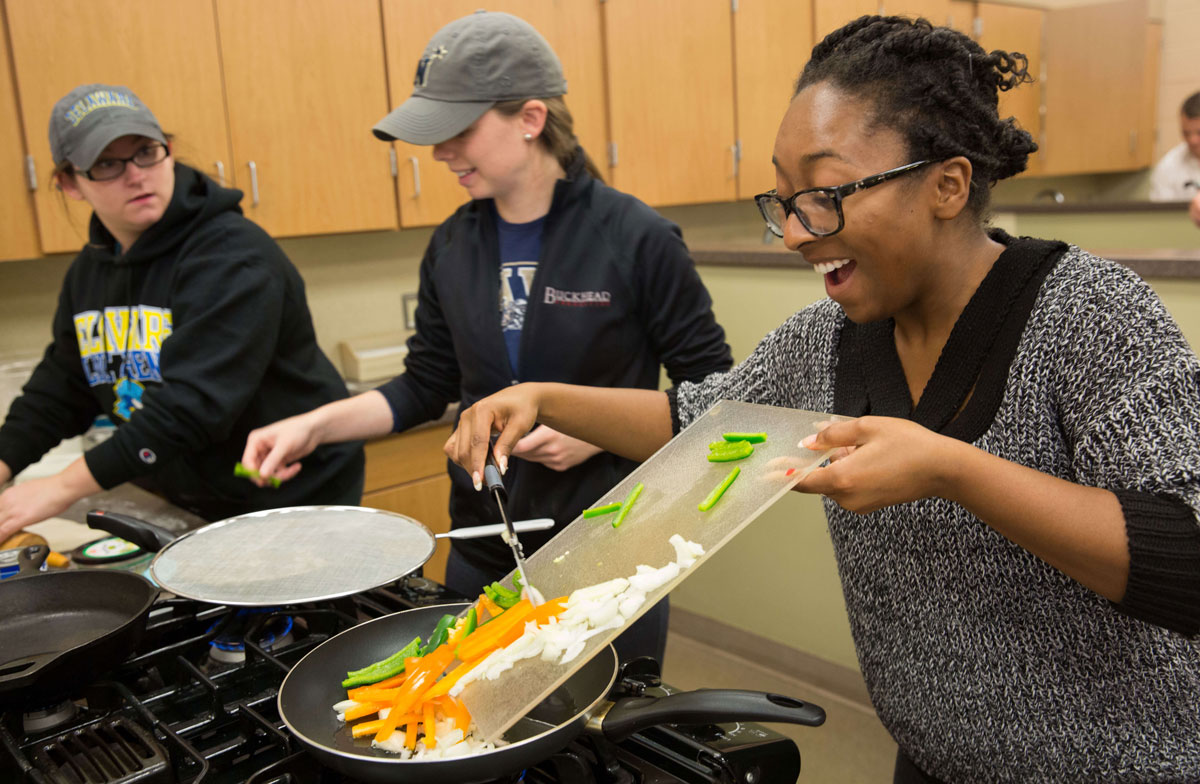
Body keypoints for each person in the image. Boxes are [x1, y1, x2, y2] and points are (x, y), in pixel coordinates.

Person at [446, 16, 1200, 784]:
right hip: (933, 762)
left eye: (823, 195)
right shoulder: (825, 339)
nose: (796, 234)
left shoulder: (1090, 314)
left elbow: (1188, 555)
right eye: (783, 202)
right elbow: (703, 424)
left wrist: (953, 470)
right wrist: (541, 398)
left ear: (948, 183)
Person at [241, 12, 732, 664]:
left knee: (603, 752)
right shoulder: (451, 245)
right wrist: (315, 426)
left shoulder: (636, 238)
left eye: (457, 130)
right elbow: (424, 386)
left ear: (530, 119)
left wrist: (596, 429)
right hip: (480, 549)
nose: (440, 151)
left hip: (607, 551)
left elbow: (715, 395)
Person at [0, 84, 364, 540]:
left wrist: (58, 488)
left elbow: (189, 408)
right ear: (70, 183)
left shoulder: (233, 255)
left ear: (169, 152)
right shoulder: (89, 271)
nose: (136, 175)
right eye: (108, 164)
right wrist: (5, 460)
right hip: (185, 501)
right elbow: (63, 386)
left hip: (283, 500)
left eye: (146, 153)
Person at [1149, 90, 1200, 205]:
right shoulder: (1168, 167)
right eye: (1186, 133)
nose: (1192, 140)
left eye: (1199, 133)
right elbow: (1161, 216)